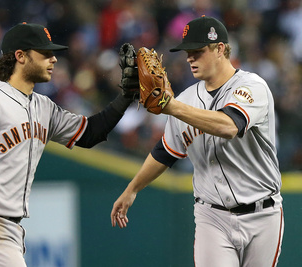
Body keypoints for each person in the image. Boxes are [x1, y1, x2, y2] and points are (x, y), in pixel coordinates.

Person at [0, 22, 136, 266]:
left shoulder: (44, 107)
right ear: (20, 56)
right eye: (45, 54)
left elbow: (90, 133)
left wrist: (126, 95)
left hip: (10, 228)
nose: (54, 60)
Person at [111, 16, 284, 267]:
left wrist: (171, 107)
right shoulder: (186, 98)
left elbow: (228, 126)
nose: (190, 57)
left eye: (198, 51)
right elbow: (165, 152)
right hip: (211, 216)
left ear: (220, 49)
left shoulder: (252, 86)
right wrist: (132, 189)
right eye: (187, 52)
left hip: (263, 215)